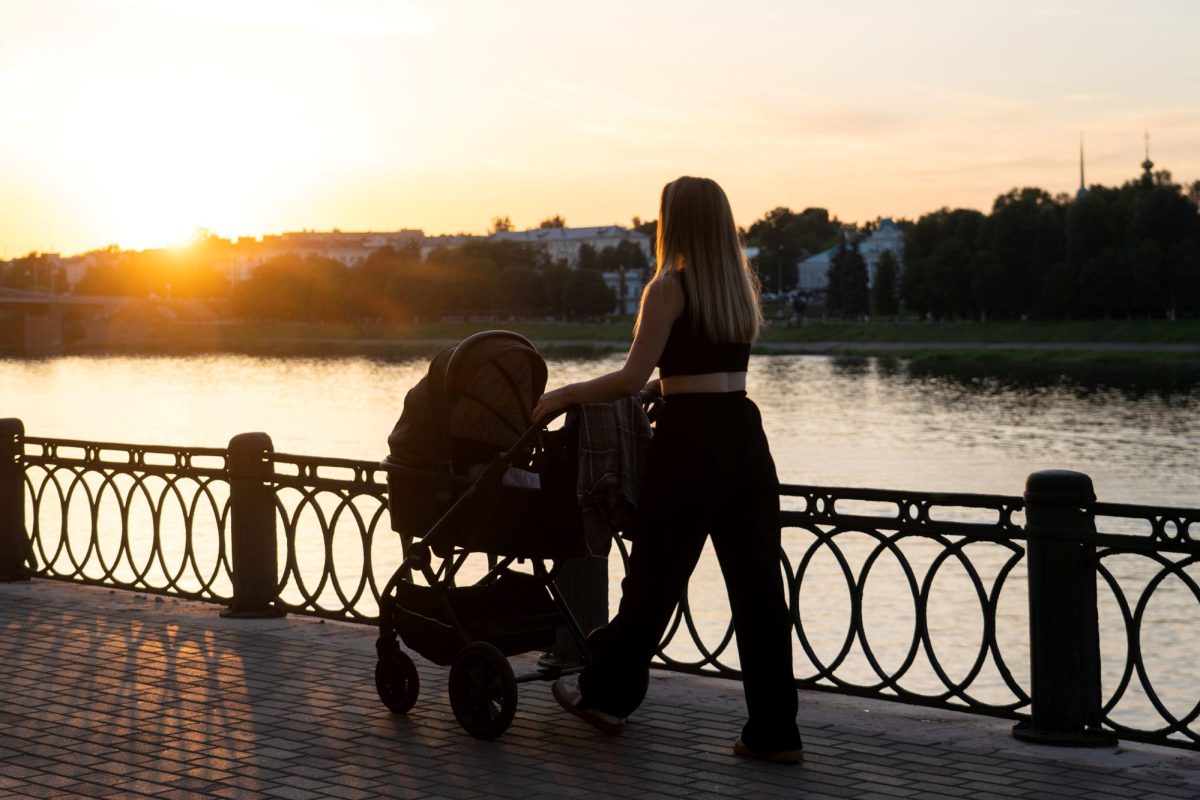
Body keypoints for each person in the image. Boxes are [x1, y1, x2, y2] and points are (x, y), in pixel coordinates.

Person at [532, 176, 803, 764]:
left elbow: (631, 378)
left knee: (654, 579)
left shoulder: (668, 288)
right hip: (744, 435)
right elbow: (712, 373)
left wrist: (565, 394)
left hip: (690, 444)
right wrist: (667, 386)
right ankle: (776, 733)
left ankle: (606, 698)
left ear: (673, 222)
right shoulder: (739, 287)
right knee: (759, 590)